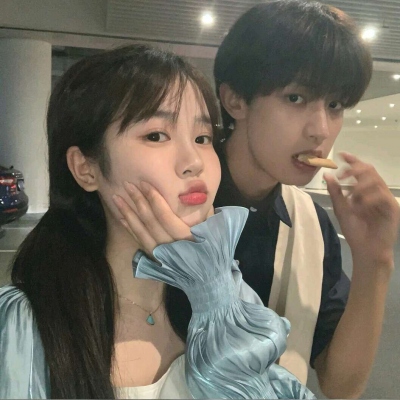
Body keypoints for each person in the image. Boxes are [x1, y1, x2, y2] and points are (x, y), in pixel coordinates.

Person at [0, 44, 316, 399]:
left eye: (203, 138)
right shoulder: (23, 323)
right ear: (85, 168)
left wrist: (214, 298)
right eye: (156, 136)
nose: (194, 161)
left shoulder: (231, 299)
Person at [212, 0, 400, 398]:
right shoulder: (171, 202)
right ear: (235, 101)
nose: (321, 130)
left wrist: (375, 262)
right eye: (296, 98)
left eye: (335, 106)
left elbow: (340, 385)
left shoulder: (311, 224)